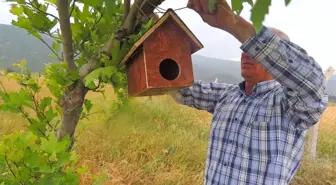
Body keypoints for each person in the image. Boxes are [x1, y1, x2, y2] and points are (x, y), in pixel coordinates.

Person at [168, 0, 329, 184]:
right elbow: (182, 90)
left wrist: (233, 24)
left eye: (256, 50)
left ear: (278, 61)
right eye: (245, 48)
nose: (245, 53)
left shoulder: (290, 107)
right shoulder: (227, 96)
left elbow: (312, 84)